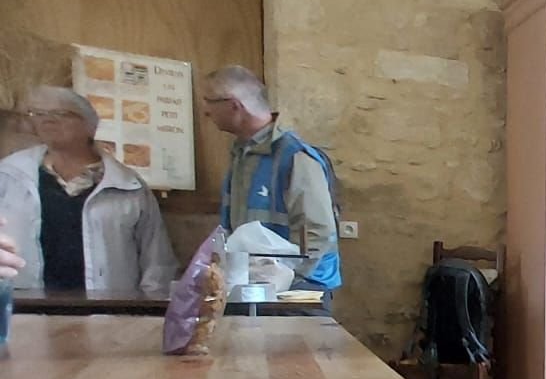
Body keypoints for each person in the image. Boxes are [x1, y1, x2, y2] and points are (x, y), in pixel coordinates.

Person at [0, 87, 176, 292]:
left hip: (107, 311)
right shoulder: (9, 175)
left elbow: (157, 261)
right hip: (25, 308)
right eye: (38, 114)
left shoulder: (128, 185)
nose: (47, 120)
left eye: (62, 114)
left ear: (90, 126)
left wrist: (146, 313)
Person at [201, 65, 341, 293]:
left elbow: (318, 231)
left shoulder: (295, 157)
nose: (206, 112)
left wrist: (284, 279)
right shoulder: (241, 155)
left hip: (298, 292)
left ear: (234, 105)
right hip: (256, 288)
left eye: (209, 101)